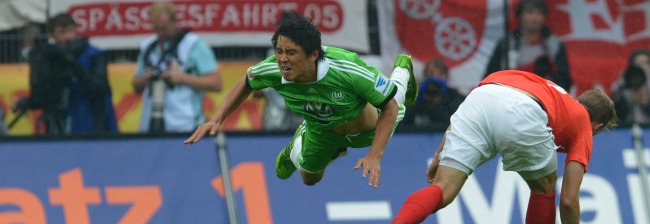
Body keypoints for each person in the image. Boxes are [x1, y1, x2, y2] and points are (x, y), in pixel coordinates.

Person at [369, 70, 618, 224]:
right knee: (544, 187)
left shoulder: (549, 89)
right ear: (598, 126)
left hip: (483, 95)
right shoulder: (584, 123)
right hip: (525, 109)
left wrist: (439, 152)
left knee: (443, 188)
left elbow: (481, 100)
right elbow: (569, 200)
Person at [185, 12, 417, 188]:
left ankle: (403, 67)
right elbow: (247, 81)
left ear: (313, 54)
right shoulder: (273, 69)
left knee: (395, 96)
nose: (283, 60)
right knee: (309, 179)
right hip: (322, 129)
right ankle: (297, 145)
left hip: (369, 130)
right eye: (279, 51)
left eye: (291, 53)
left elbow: (389, 107)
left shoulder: (346, 69)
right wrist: (217, 119)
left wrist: (374, 156)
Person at [13, 13, 118, 135]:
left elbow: (100, 89)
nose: (68, 37)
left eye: (70, 31)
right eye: (62, 32)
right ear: (52, 35)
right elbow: (43, 95)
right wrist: (26, 102)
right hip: (60, 120)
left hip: (92, 120)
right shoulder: (48, 57)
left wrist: (73, 65)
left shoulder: (94, 55)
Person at [132, 1, 222, 133]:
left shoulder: (194, 45)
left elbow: (216, 83)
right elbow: (135, 84)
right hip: (151, 125)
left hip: (186, 125)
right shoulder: (148, 47)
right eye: (157, 29)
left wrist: (182, 78)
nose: (161, 34)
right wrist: (147, 78)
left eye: (164, 28)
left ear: (175, 21)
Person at [484, 0, 572, 91]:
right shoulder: (507, 43)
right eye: (530, 12)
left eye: (539, 13)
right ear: (520, 15)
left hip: (544, 97)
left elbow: (564, 80)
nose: (535, 18)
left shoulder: (555, 44)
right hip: (510, 94)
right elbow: (490, 76)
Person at [399, 59, 465, 132]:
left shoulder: (454, 97)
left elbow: (453, 122)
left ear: (446, 77)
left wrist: (440, 102)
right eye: (431, 75)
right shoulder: (416, 97)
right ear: (424, 76)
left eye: (440, 75)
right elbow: (402, 122)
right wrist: (416, 99)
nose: (435, 79)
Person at [611, 49, 650, 126]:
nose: (641, 67)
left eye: (645, 63)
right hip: (627, 130)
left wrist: (645, 104)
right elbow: (615, 115)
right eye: (637, 63)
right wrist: (620, 90)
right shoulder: (625, 88)